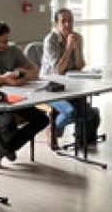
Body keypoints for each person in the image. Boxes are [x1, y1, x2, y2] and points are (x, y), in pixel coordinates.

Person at [0, 20, 49, 162]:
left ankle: (7, 147)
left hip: (14, 98)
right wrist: (4, 79)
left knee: (42, 119)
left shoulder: (13, 49)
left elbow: (35, 72)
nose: (2, 45)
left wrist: (22, 76)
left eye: (5, 41)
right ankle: (9, 147)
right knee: (8, 121)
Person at [40, 8, 100, 148]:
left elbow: (79, 66)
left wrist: (77, 48)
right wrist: (68, 48)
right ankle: (53, 129)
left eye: (70, 21)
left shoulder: (77, 37)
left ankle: (76, 138)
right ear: (56, 24)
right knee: (70, 112)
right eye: (63, 21)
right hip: (50, 87)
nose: (68, 24)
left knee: (89, 113)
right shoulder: (51, 40)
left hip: (70, 85)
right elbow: (58, 70)